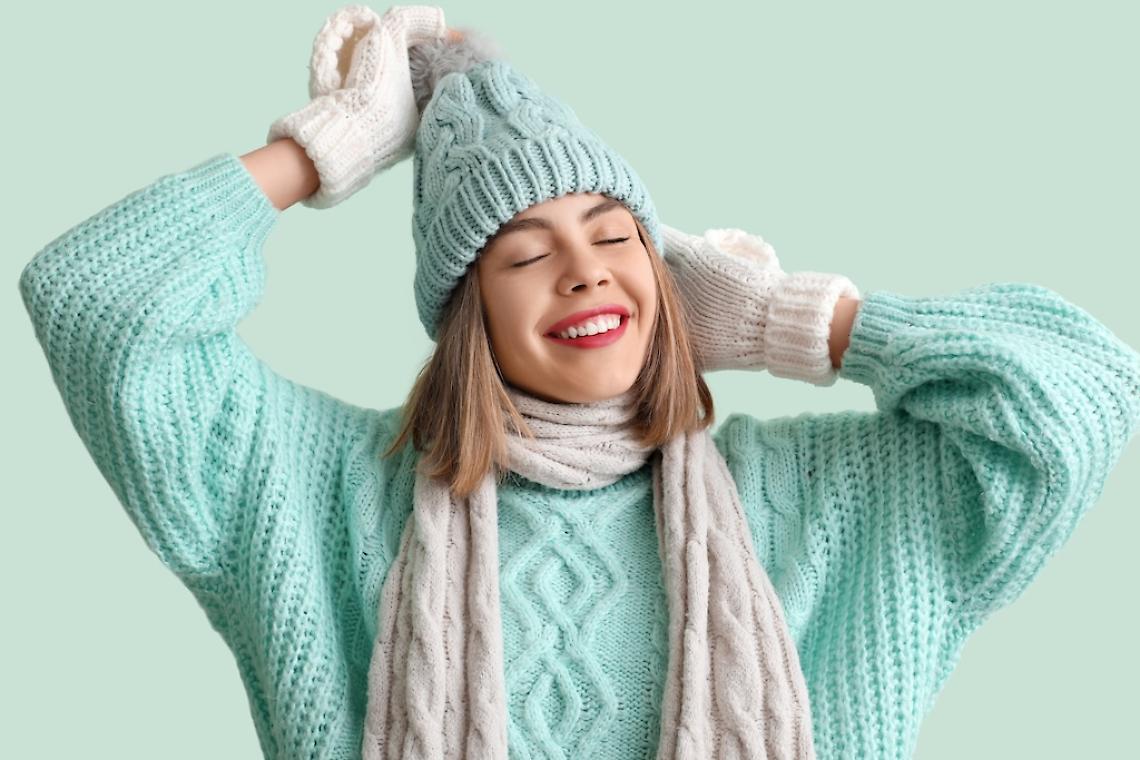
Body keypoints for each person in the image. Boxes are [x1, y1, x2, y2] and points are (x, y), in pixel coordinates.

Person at [17, 4, 1140, 759]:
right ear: (469, 316)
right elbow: (98, 302)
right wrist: (328, 147)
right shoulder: (316, 491)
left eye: (616, 235)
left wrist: (794, 322)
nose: (584, 269)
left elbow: (1076, 395)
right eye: (522, 251)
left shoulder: (821, 499)